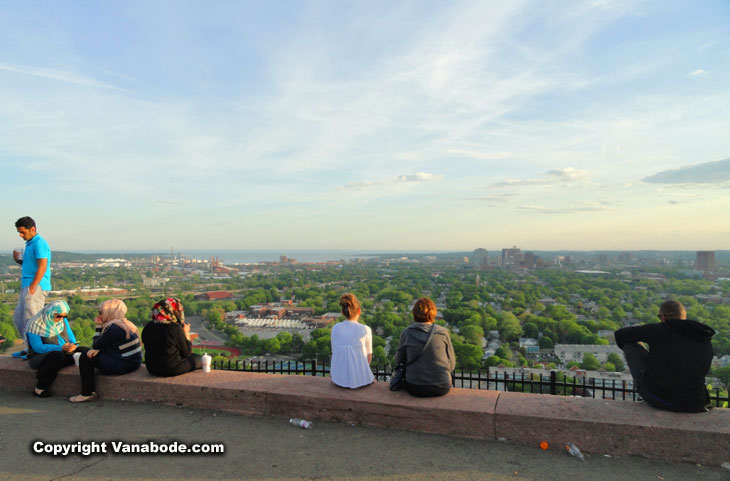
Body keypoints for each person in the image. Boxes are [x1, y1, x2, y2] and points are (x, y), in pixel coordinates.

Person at [615, 300, 715, 412]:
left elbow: (620, 335)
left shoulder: (659, 330)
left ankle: (644, 387)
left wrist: (650, 358)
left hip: (662, 399)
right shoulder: (703, 338)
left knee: (630, 343)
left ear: (664, 317)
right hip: (696, 403)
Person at [69, 299, 142, 403]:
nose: (99, 316)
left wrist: (98, 327)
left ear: (110, 312)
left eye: (101, 313)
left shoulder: (113, 328)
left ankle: (86, 393)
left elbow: (96, 344)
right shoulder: (124, 323)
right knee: (88, 351)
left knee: (85, 357)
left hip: (124, 365)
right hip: (133, 362)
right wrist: (97, 349)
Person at [394, 298, 455, 398]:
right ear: (433, 313)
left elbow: (399, 360)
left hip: (415, 386)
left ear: (414, 313)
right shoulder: (442, 333)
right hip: (441, 386)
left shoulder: (407, 333)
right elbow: (451, 363)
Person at [26, 300, 85, 398]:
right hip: (40, 356)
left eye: (64, 316)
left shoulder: (63, 321)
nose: (61, 319)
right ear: (50, 312)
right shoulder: (35, 325)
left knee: (84, 351)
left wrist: (72, 346)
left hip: (63, 351)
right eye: (58, 316)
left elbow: (71, 337)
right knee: (57, 356)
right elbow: (38, 348)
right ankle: (40, 388)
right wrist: (60, 347)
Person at [12, 216, 52, 357]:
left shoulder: (39, 243)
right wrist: (19, 261)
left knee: (31, 319)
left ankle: (35, 350)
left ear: (32, 229)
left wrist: (33, 286)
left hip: (35, 285)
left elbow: (42, 266)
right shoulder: (30, 244)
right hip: (28, 284)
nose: (20, 235)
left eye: (23, 232)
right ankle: (29, 347)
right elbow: (32, 266)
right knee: (18, 318)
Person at [142, 297, 202, 377]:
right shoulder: (173, 328)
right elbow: (187, 352)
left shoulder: (148, 326)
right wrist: (186, 332)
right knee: (201, 359)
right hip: (170, 369)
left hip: (152, 368)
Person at [330, 293, 374, 389]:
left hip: (338, 378)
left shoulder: (335, 328)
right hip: (361, 379)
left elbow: (335, 352)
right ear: (359, 311)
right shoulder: (365, 329)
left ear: (342, 312)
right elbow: (369, 357)